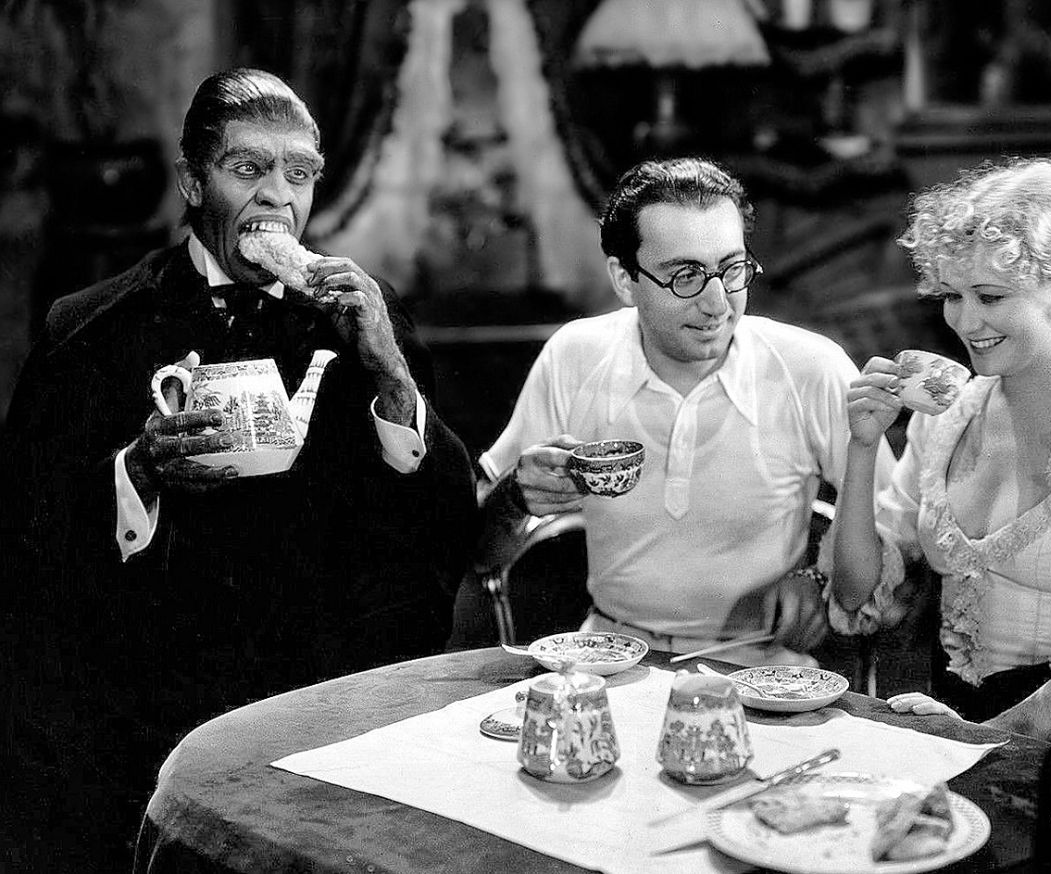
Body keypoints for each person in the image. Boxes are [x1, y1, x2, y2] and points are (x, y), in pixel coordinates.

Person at [0, 68, 476, 870]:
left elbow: (441, 525)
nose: (277, 200)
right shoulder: (89, 328)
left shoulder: (366, 313)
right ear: (192, 181)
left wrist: (395, 382)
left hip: (321, 713)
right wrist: (137, 475)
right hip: (144, 724)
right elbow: (23, 538)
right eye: (248, 169)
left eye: (300, 174)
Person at [472, 157, 895, 666]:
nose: (718, 303)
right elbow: (478, 553)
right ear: (625, 280)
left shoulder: (810, 367)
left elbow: (894, 536)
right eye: (686, 276)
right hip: (612, 656)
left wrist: (816, 577)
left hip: (760, 669)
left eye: (732, 269)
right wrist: (516, 497)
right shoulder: (575, 357)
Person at [828, 157, 1051, 740]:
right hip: (942, 720)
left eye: (990, 296)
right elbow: (855, 595)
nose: (965, 321)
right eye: (951, 295)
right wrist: (862, 447)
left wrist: (973, 741)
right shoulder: (943, 421)